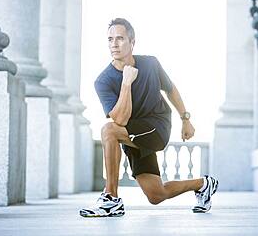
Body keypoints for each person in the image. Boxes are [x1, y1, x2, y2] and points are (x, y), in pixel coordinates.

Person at [79, 18, 218, 218]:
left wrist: (185, 119)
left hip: (156, 125)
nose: (114, 44)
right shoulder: (103, 81)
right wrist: (126, 83)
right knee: (155, 194)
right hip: (132, 132)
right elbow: (121, 120)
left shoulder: (150, 63)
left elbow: (170, 90)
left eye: (120, 38)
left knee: (107, 130)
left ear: (132, 42)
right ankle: (204, 184)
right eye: (110, 39)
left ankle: (111, 198)